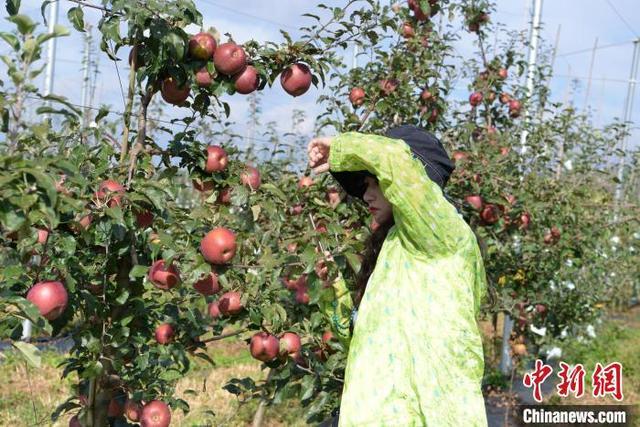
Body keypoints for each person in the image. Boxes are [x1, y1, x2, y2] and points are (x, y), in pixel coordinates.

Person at [309, 125, 488, 427]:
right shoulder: (394, 248)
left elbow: (398, 163)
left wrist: (341, 148)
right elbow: (368, 340)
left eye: (372, 182)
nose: (366, 195)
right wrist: (334, 291)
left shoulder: (442, 233)